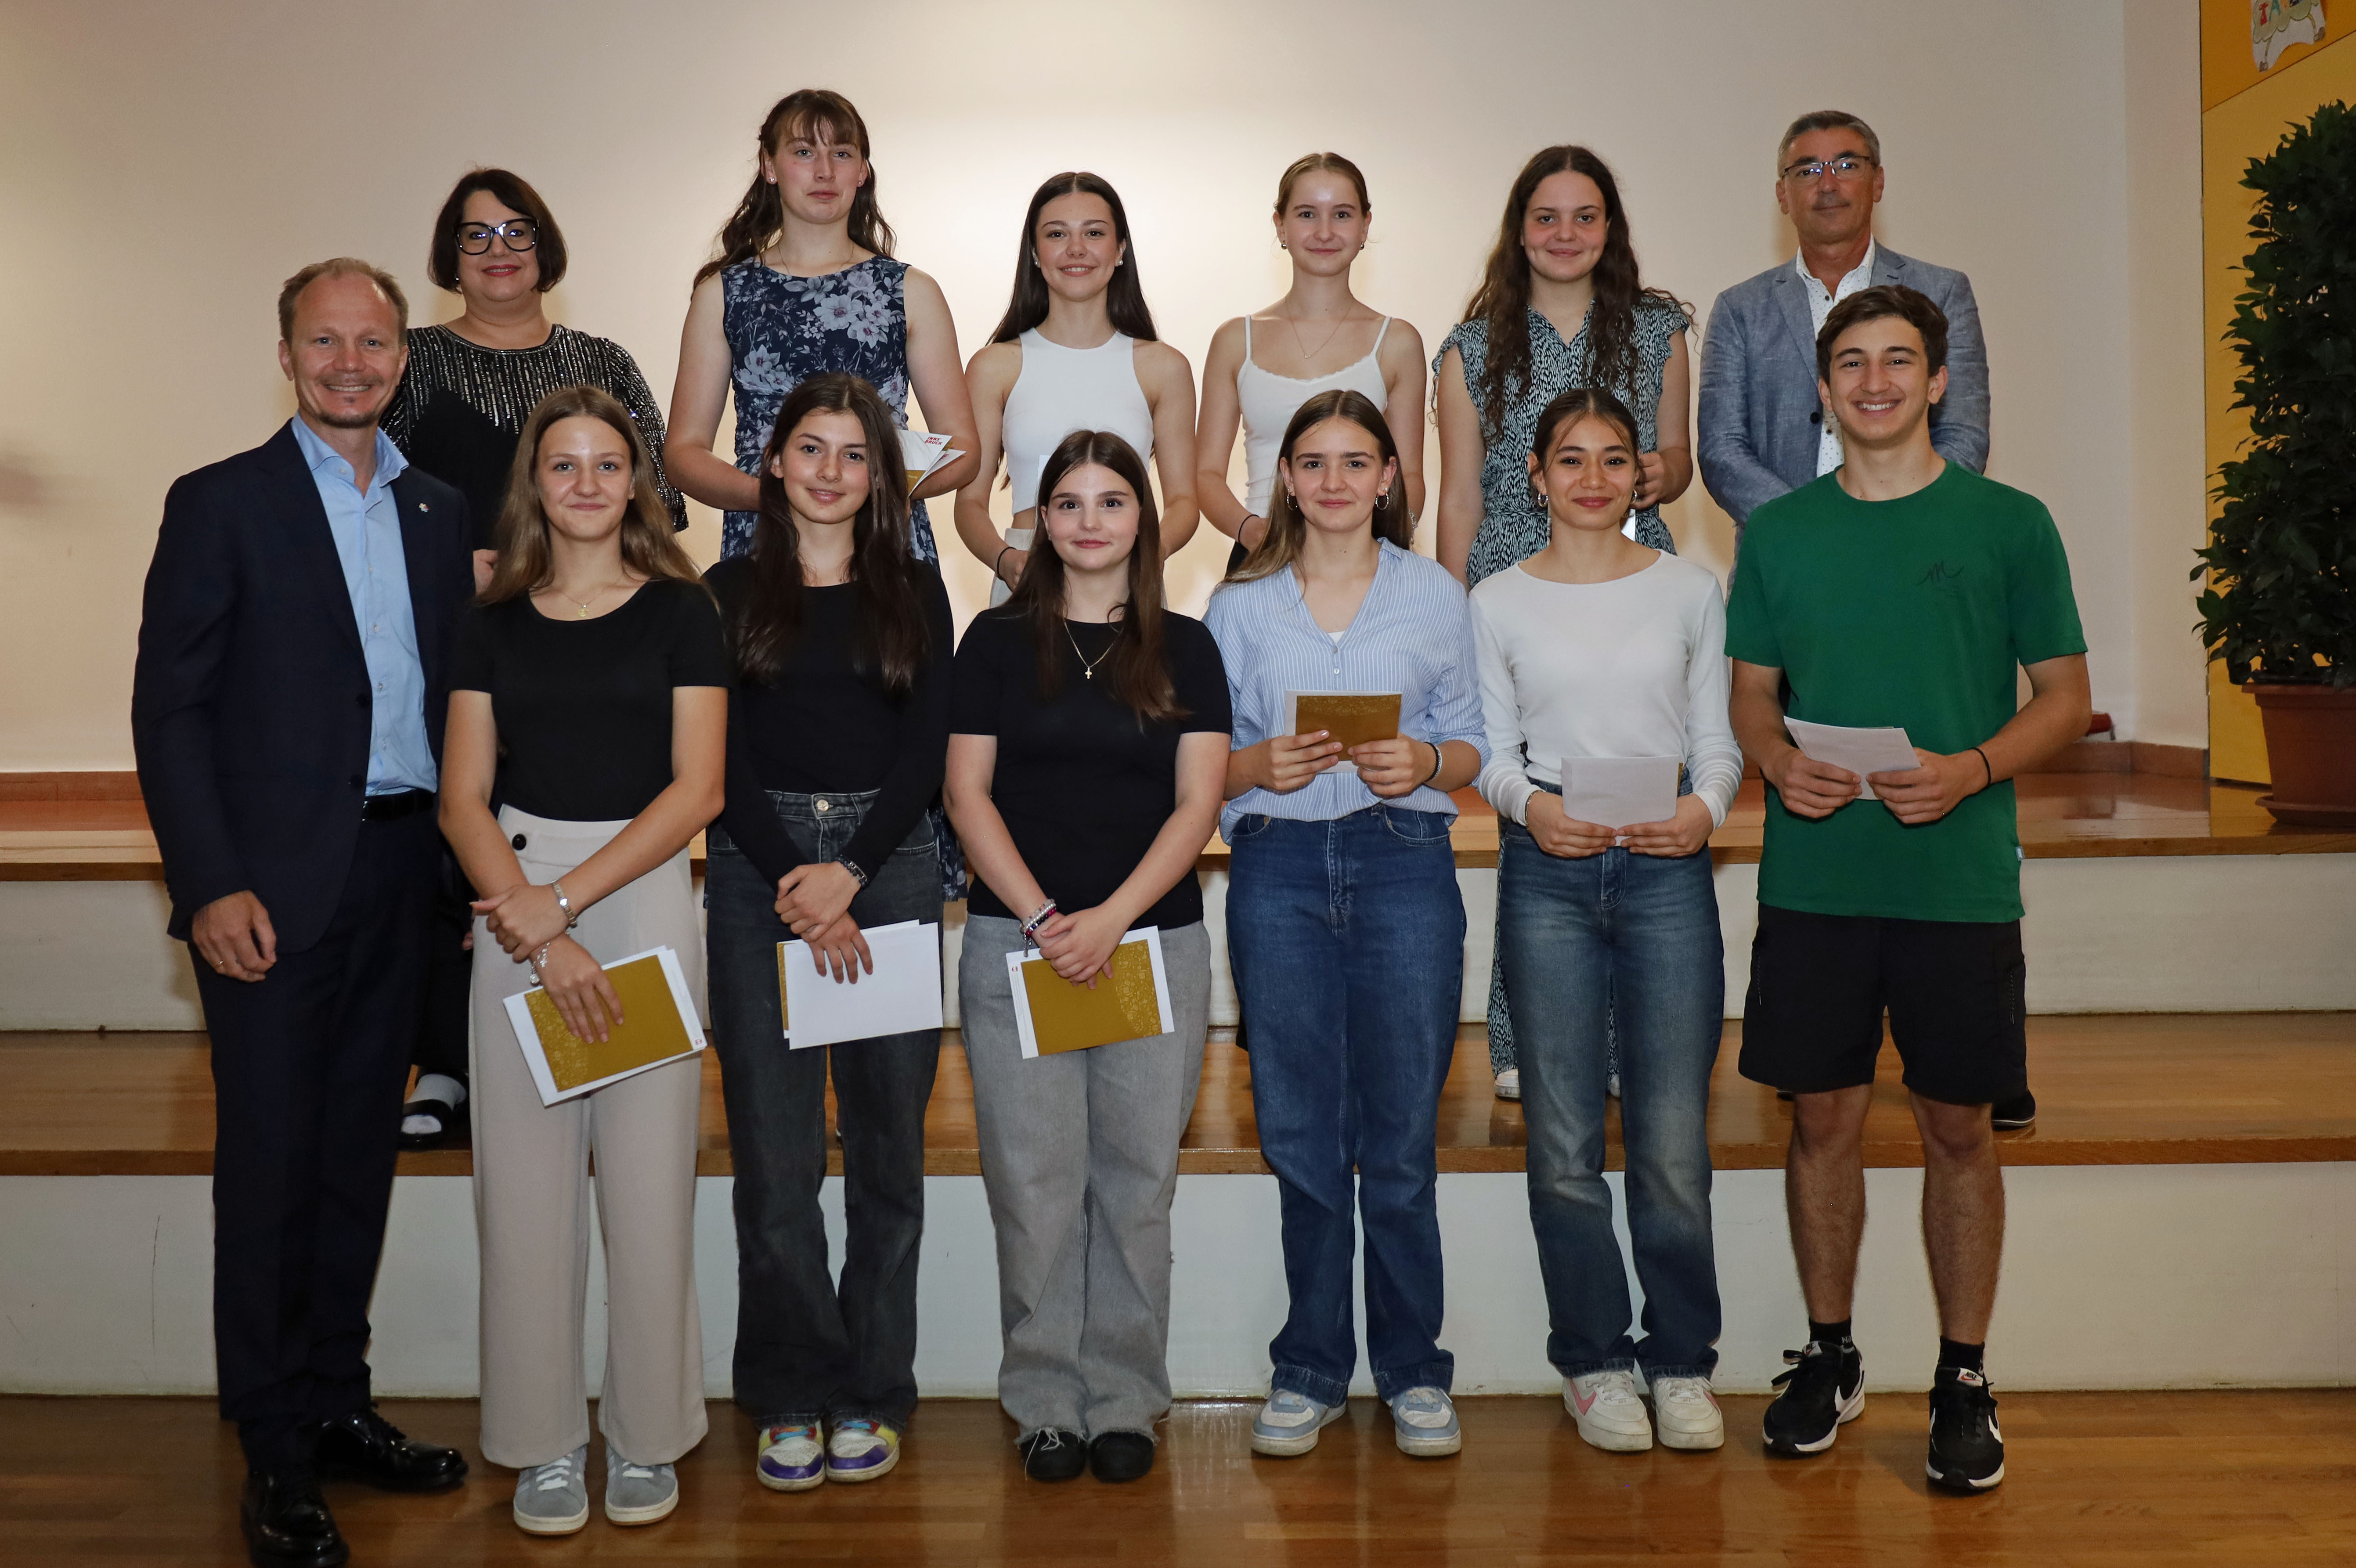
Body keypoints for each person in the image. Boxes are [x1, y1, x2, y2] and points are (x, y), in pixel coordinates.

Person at [132, 257, 472, 1568]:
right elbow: (171, 710)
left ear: (402, 358)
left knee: (357, 1162)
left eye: (372, 341)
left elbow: (454, 700)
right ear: (286, 355)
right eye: (324, 341)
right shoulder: (220, 504)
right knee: (270, 1172)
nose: (349, 362)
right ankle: (272, 1448)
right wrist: (210, 881)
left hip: (402, 878)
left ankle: (338, 1400)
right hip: (267, 894)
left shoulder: (438, 510)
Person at [1725, 286, 2088, 1492]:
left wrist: (1972, 767)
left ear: (1935, 382)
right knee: (1821, 1120)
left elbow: (2063, 697)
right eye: (1848, 362)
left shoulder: (2010, 523)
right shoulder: (1777, 535)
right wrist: (1775, 761)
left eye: (1896, 361)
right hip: (1818, 879)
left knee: (1956, 1127)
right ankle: (1829, 1356)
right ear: (1820, 390)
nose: (1872, 380)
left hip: (1956, 883)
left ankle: (1962, 1376)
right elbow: (1750, 694)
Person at [438, 385, 730, 1535]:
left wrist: (564, 907)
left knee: (653, 1178)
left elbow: (697, 789)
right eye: (563, 466)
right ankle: (542, 1441)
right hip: (514, 899)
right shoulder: (491, 619)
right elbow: (464, 794)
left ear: (637, 481)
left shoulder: (682, 610)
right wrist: (534, 918)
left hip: (639, 895)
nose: (587, 484)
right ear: (534, 484)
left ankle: (648, 1434)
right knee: (522, 1186)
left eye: (608, 464)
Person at [1205, 389, 1487, 1463]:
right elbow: (1206, 765)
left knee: (1400, 1140)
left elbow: (1467, 744)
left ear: (1387, 478)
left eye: (1354, 462)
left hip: (1403, 863)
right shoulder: (1237, 606)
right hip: (1275, 867)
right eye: (1310, 462)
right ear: (1282, 479)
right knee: (1299, 1136)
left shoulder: (1434, 596)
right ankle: (1312, 1366)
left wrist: (1422, 763)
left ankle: (1414, 1369)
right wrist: (1248, 768)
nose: (1332, 481)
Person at [944, 430, 1230, 1486]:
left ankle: (1124, 1397)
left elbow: (1198, 801)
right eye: (1068, 502)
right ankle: (1045, 1400)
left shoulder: (1188, 647)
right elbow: (965, 792)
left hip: (1148, 948)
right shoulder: (992, 643)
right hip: (1017, 947)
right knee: (1033, 1180)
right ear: (1040, 520)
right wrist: (1044, 918)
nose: (1090, 521)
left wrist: (1108, 919)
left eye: (1113, 501)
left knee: (1136, 1182)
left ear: (1142, 523)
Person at [383, 165, 688, 1153]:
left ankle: (581, 1037)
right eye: (476, 235)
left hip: (587, 628)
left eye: (517, 231)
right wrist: (452, 562)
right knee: (458, 830)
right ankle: (446, 1059)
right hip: (457, 634)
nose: (499, 248)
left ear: (546, 246)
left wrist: (572, 569)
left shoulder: (598, 359)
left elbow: (664, 504)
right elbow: (365, 496)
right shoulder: (415, 360)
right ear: (449, 257)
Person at [1471, 388, 1738, 1456]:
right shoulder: (1494, 601)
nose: (1592, 477)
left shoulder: (1689, 589)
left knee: (1671, 1139)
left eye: (1613, 459)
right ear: (1533, 476)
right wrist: (1533, 809)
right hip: (1548, 870)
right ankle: (1592, 1361)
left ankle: (1680, 1360)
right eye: (1569, 459)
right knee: (1564, 1140)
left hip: (1666, 866)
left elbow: (1716, 742)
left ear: (1643, 476)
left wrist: (1699, 812)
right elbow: (1490, 754)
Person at [702, 373, 953, 1492]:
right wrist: (792, 875)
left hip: (887, 871)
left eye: (855, 454)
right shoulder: (719, 591)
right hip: (756, 872)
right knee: (776, 1157)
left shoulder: (915, 590)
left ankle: (872, 1390)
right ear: (774, 462)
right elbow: (720, 757)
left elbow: (927, 749)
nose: (830, 472)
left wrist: (848, 871)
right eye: (811, 448)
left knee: (888, 1156)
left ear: (880, 476)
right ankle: (792, 1390)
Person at [1434, 144, 1695, 1101]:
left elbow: (1679, 458)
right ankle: (1527, 1034)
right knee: (1531, 816)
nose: (1566, 234)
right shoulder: (1468, 348)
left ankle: (1635, 1038)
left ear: (1610, 230)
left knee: (1638, 792)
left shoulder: (1661, 327)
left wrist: (1657, 472)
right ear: (1519, 230)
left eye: (1586, 216)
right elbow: (1458, 494)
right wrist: (1455, 611)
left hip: (1630, 574)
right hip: (1516, 581)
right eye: (1547, 217)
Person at [668, 87, 979, 563]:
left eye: (841, 153)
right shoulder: (722, 294)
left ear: (862, 171)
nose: (824, 171)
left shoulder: (911, 291)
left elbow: (962, 447)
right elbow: (684, 452)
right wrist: (771, 496)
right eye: (804, 152)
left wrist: (873, 493)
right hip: (767, 544)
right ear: (770, 166)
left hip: (883, 546)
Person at [1695, 109, 1990, 537]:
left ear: (1878, 182)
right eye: (1808, 170)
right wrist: (1812, 527)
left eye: (1847, 165)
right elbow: (1722, 451)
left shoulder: (1942, 292)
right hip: (1784, 558)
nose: (1827, 184)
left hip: (1914, 547)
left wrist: (1889, 520)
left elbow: (1964, 435)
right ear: (1782, 194)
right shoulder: (1739, 308)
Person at [957, 171, 1197, 608]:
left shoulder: (1164, 368)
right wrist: (1006, 560)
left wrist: (1146, 556)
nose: (1076, 249)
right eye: (1056, 234)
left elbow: (1183, 501)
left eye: (1094, 233)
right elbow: (970, 503)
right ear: (1034, 251)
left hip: (1127, 584)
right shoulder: (994, 367)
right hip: (1027, 579)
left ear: (1120, 249)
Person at [1195, 152, 1428, 573]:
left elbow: (1409, 476)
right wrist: (1254, 532)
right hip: (1261, 557)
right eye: (1306, 214)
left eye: (1341, 214)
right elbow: (1206, 475)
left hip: (1362, 561)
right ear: (1280, 225)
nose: (1324, 232)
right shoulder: (1235, 341)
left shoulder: (1397, 342)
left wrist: (1381, 545)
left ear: (1365, 226)